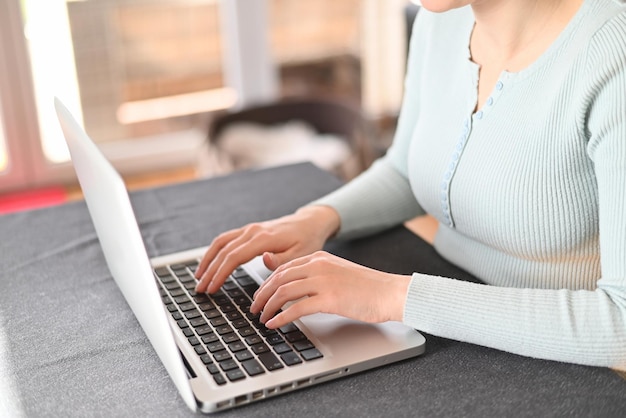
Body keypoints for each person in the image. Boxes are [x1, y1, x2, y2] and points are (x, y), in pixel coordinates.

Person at [195, 0, 626, 369]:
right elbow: (407, 168)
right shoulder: (440, 18)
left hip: (568, 363)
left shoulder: (611, 51)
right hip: (449, 319)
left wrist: (389, 295)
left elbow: (620, 324)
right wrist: (317, 219)